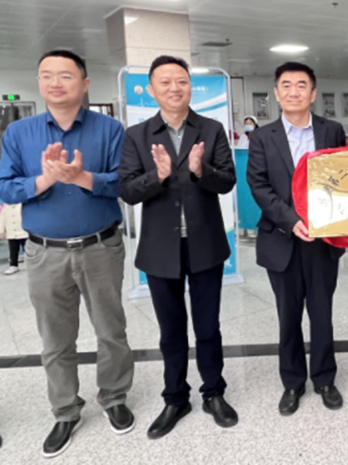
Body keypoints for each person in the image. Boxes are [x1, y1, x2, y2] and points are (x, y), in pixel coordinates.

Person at [0, 50, 134, 458]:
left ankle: (114, 397)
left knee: (111, 330)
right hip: (45, 253)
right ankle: (65, 410)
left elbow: (125, 183)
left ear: (85, 83)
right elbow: (5, 187)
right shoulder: (18, 132)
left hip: (101, 247)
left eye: (65, 75)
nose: (55, 83)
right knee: (55, 338)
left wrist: (83, 177)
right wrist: (43, 180)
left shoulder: (110, 129)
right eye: (47, 75)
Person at [118, 55, 239, 438]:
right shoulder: (137, 135)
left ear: (190, 86)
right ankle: (175, 398)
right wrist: (157, 176)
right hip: (159, 249)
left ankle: (213, 392)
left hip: (205, 244)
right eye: (166, 82)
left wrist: (202, 171)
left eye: (182, 81)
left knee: (208, 327)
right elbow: (127, 190)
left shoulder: (211, 129)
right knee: (170, 330)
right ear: (151, 90)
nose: (175, 88)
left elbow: (227, 182)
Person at [246, 62, 347, 416]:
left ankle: (324, 379)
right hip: (282, 240)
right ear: (276, 94)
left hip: (323, 241)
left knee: (322, 314)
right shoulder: (262, 137)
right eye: (286, 85)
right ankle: (292, 382)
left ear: (313, 93)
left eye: (301, 85)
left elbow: (345, 177)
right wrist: (291, 221)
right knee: (287, 317)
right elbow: (259, 186)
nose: (293, 91)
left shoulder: (332, 130)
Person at [0, 202, 28, 275]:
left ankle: (30, 264)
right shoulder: (5, 207)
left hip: (24, 233)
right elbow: (2, 220)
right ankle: (13, 265)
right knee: (13, 250)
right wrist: (1, 231)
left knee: (27, 250)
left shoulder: (23, 205)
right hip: (11, 233)